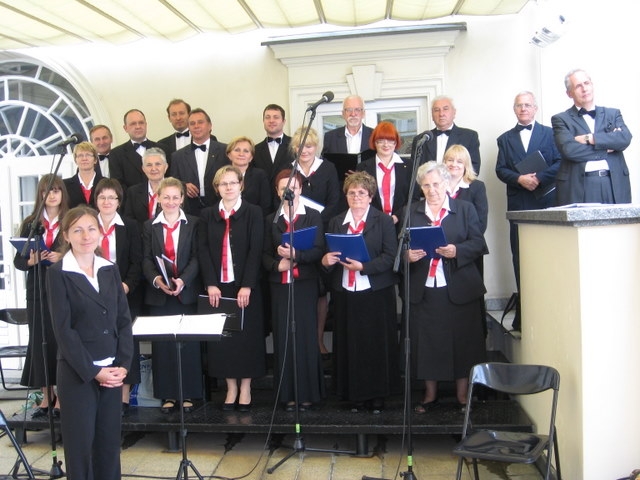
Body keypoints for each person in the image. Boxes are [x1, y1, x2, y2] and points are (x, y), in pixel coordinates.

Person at [46, 205, 133, 480]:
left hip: (112, 372)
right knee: (80, 448)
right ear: (66, 235)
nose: (86, 236)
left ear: (100, 232)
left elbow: (123, 320)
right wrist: (94, 371)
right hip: (79, 373)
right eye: (78, 230)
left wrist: (123, 365)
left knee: (108, 447)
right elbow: (64, 330)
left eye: (91, 229)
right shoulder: (58, 273)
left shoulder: (110, 269)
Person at [406, 162, 487, 412]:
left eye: (436, 184)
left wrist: (457, 250)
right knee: (427, 342)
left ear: (446, 183)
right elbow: (398, 248)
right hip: (424, 287)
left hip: (459, 287)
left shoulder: (464, 209)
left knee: (462, 341)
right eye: (426, 185)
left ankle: (463, 396)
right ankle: (430, 395)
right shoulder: (411, 212)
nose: (432, 190)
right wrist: (407, 256)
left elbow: (478, 243)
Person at [321, 171, 400, 413]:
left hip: (375, 291)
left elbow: (390, 256)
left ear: (371, 196)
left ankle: (376, 396)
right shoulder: (336, 222)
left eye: (362, 193)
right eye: (352, 193)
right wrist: (326, 260)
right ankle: (353, 395)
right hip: (345, 291)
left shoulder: (383, 221)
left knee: (374, 344)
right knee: (349, 344)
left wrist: (364, 267)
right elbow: (329, 253)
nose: (356, 197)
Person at [199, 165, 266, 411]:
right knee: (224, 340)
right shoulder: (207, 215)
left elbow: (256, 249)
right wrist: (211, 283)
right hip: (219, 288)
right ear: (217, 188)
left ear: (241, 185)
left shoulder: (253, 212)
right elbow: (203, 250)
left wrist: (247, 285)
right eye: (223, 183)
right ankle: (231, 388)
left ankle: (245, 388)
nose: (228, 187)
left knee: (247, 338)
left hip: (245, 287)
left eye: (233, 183)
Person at [496, 91, 561, 330]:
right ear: (514, 109)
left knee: (548, 256)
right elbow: (500, 169)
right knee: (520, 258)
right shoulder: (505, 139)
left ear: (535, 108)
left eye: (527, 105)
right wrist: (519, 179)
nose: (523, 109)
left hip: (546, 203)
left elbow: (560, 162)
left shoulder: (551, 133)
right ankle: (524, 316)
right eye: (519, 105)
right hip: (519, 205)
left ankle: (550, 312)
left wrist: (539, 178)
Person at [263, 169, 325, 410]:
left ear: (300, 189)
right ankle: (287, 394)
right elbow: (263, 253)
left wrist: (296, 255)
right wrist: (276, 264)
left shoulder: (312, 216)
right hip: (280, 285)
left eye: (293, 187)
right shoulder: (271, 219)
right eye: (283, 188)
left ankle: (308, 393)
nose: (289, 192)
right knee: (284, 336)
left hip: (305, 284)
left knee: (306, 337)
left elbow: (318, 249)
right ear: (277, 192)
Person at [141, 177, 202, 413]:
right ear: (158, 198)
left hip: (185, 291)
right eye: (166, 197)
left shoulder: (193, 223)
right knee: (163, 346)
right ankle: (167, 394)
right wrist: (157, 280)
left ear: (182, 199)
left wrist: (183, 280)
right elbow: (146, 259)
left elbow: (197, 256)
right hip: (160, 293)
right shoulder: (149, 226)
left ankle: (188, 394)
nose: (171, 201)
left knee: (188, 345)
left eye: (175, 197)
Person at [14, 174, 68, 417]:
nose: (52, 195)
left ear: (62, 193)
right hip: (37, 289)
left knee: (60, 340)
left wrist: (62, 257)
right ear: (40, 194)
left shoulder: (69, 219)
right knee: (39, 342)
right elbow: (18, 261)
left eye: (56, 190)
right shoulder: (31, 222)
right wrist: (31, 260)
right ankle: (47, 397)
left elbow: (83, 251)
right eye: (47, 191)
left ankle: (62, 398)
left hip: (62, 287)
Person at [290, 126, 341, 355]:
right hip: (296, 233)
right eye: (300, 146)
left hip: (322, 233)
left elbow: (335, 202)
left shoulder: (327, 168)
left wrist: (317, 223)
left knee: (321, 291)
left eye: (309, 146)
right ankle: (302, 342)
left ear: (316, 147)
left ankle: (318, 340)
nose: (305, 150)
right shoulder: (289, 171)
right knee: (301, 288)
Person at [94, 178, 143, 416]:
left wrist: (126, 285)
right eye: (102, 197)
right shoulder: (88, 224)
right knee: (98, 341)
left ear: (119, 201)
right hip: (93, 295)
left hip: (123, 294)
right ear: (96, 200)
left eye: (111, 197)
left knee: (125, 343)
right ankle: (100, 394)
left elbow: (137, 261)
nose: (107, 201)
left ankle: (123, 398)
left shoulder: (130, 226)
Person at [551, 69, 633, 205]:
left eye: (586, 83)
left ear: (592, 85)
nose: (584, 89)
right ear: (569, 93)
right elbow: (569, 150)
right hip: (581, 185)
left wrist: (590, 139)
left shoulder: (612, 114)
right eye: (578, 86)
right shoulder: (560, 119)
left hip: (613, 183)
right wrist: (607, 147)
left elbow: (624, 138)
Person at [170, 108, 228, 216]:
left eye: (200, 122)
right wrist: (183, 186)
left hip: (220, 208)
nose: (196, 126)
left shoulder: (225, 151)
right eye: (192, 123)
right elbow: (173, 182)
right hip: (190, 211)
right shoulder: (177, 156)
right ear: (189, 127)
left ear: (210, 126)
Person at [356, 121, 412, 225]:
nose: (386, 145)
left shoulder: (409, 166)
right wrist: (379, 218)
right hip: (373, 223)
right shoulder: (363, 167)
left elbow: (413, 198)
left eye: (390, 140)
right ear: (374, 143)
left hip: (402, 223)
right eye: (381, 141)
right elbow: (361, 197)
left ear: (395, 143)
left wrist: (397, 216)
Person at [412, 95, 481, 174]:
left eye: (445, 109)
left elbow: (474, 169)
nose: (441, 114)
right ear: (432, 115)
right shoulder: (421, 139)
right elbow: (415, 171)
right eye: (436, 110)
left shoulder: (469, 136)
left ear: (454, 112)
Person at [109, 109, 164, 190]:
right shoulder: (116, 154)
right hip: (130, 198)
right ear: (125, 128)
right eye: (133, 124)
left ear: (146, 125)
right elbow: (118, 185)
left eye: (141, 123)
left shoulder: (162, 149)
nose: (138, 126)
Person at [444, 145, 488, 233]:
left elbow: (481, 222)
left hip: (468, 239)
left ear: (466, 165)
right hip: (441, 237)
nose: (454, 164)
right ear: (444, 162)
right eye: (450, 160)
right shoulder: (436, 185)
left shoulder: (477, 187)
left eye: (459, 161)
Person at [224, 136, 272, 215]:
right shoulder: (221, 176)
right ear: (229, 155)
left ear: (251, 157)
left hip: (253, 220)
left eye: (246, 151)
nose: (241, 154)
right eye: (237, 150)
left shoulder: (260, 175)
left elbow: (265, 206)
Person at [123, 148, 169, 226]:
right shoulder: (133, 192)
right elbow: (129, 221)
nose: (153, 169)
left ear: (166, 167)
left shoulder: (177, 189)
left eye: (158, 164)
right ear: (143, 169)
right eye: (149, 165)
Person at [252, 104, 295, 187]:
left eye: (276, 117)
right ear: (263, 121)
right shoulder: (255, 150)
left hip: (287, 194)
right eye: (267, 117)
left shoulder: (295, 145)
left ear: (283, 121)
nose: (271, 120)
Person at [322, 95, 374, 159]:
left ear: (363, 113)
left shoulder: (375, 136)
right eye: (349, 110)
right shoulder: (330, 138)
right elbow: (324, 163)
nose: (353, 114)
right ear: (343, 114)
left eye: (357, 109)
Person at [64, 141, 104, 209]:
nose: (84, 159)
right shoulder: (65, 185)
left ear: (95, 160)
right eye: (80, 155)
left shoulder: (105, 183)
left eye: (88, 155)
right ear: (75, 160)